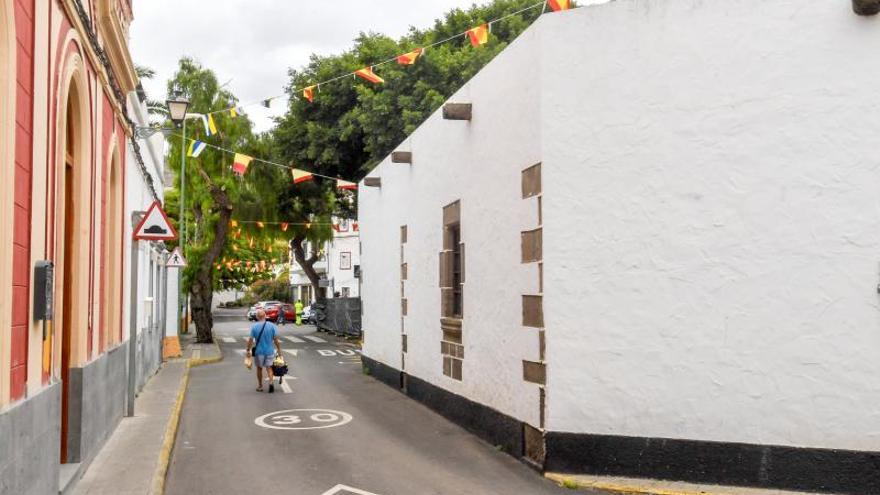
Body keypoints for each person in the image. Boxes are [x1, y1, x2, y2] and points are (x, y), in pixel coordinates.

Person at [246, 309, 282, 393]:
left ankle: (260, 386)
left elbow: (250, 340)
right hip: (269, 351)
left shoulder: (254, 327)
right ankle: (271, 382)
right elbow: (276, 339)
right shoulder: (272, 326)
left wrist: (248, 349)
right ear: (265, 316)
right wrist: (279, 349)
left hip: (259, 352)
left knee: (259, 368)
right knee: (269, 368)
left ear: (257, 317)